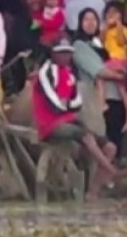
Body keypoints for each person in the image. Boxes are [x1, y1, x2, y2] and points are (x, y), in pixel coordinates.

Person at [32, 37, 121, 198]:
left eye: (68, 53)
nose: (66, 57)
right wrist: (65, 105)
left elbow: (76, 101)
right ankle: (111, 170)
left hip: (69, 120)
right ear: (53, 54)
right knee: (85, 135)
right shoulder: (46, 72)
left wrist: (66, 105)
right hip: (49, 123)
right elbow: (51, 101)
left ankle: (92, 192)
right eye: (62, 53)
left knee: (110, 147)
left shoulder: (70, 74)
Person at [73, 9, 127, 145]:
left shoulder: (102, 44)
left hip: (116, 97)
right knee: (104, 141)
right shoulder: (79, 45)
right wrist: (118, 75)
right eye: (86, 20)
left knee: (116, 141)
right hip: (97, 101)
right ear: (80, 23)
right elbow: (98, 71)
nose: (90, 23)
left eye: (94, 19)